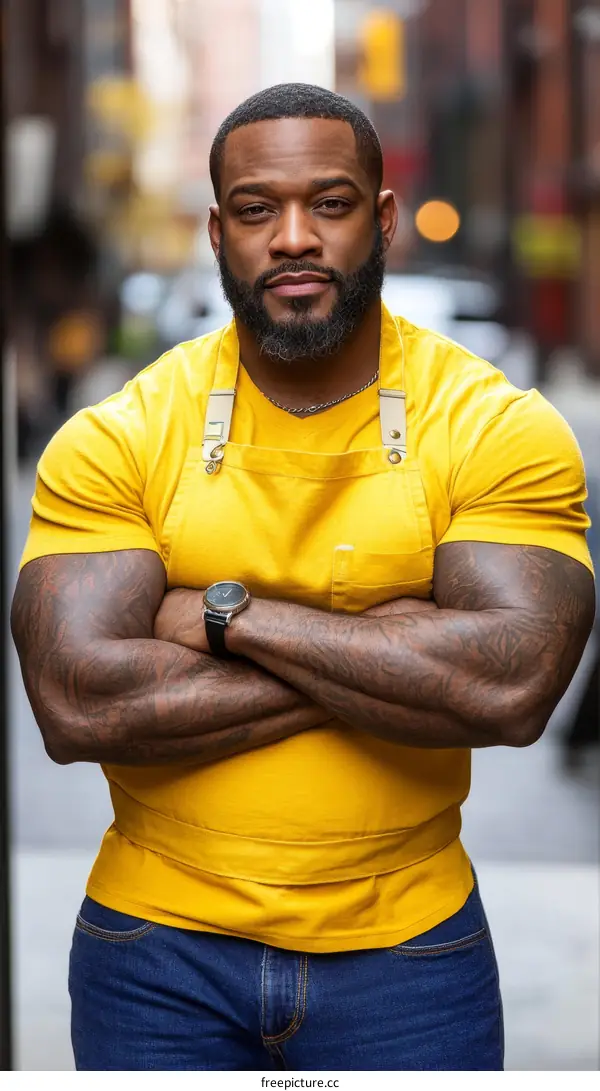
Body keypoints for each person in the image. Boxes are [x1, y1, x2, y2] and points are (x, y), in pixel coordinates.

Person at [11, 84, 596, 1072]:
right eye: (255, 208)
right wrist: (395, 643)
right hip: (153, 950)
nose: (292, 236)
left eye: (328, 203)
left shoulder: (498, 426)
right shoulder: (119, 434)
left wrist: (224, 617)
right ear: (215, 230)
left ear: (381, 220)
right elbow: (74, 704)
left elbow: (509, 683)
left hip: (412, 951)